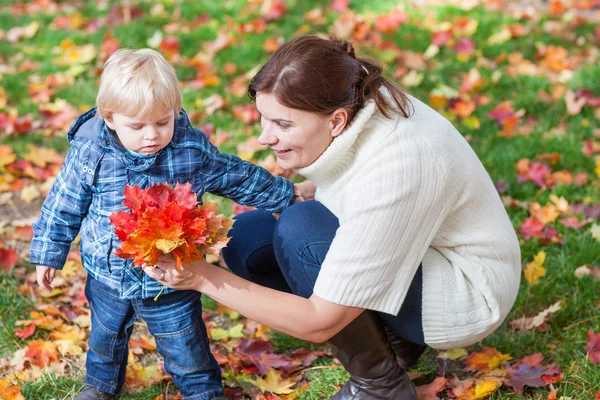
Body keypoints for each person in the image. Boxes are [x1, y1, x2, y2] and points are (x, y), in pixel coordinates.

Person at [143, 35, 522, 399]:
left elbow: (319, 320)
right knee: (248, 237)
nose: (264, 137)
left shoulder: (401, 164)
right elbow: (360, 186)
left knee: (300, 230)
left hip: (463, 294)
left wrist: (200, 277)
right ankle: (386, 341)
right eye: (263, 118)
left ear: (337, 121)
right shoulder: (354, 94)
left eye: (283, 124)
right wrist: (307, 190)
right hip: (420, 252)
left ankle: (381, 385)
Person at [29, 49, 298, 400]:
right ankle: (99, 386)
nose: (152, 135)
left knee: (185, 345)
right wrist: (49, 253)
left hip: (171, 276)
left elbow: (236, 176)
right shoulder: (91, 154)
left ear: (175, 112)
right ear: (109, 118)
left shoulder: (188, 151)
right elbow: (63, 204)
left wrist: (286, 196)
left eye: (162, 122)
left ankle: (202, 391)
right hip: (108, 273)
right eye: (137, 126)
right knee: (105, 339)